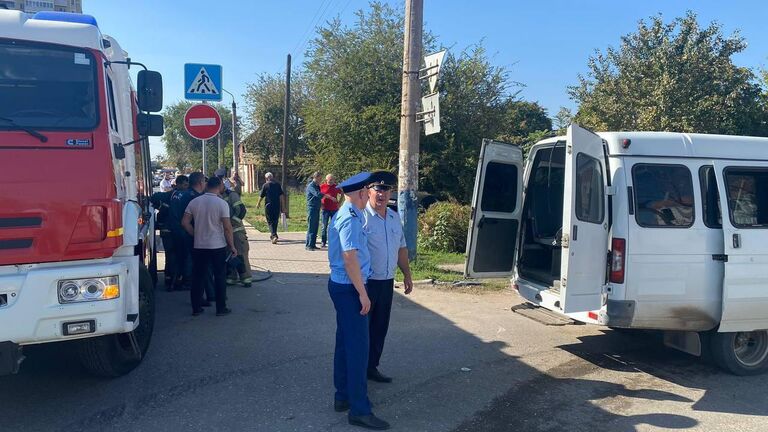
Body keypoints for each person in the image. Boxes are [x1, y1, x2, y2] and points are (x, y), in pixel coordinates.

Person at [327, 172, 390, 431]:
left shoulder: (347, 213)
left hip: (342, 286)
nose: (369, 195)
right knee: (358, 349)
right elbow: (350, 257)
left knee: (344, 343)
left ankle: (342, 396)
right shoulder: (351, 217)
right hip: (350, 289)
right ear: (362, 192)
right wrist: (363, 294)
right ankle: (359, 410)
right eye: (367, 191)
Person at [362, 171, 413, 384]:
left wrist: (407, 275)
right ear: (369, 191)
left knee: (380, 328)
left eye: (386, 189)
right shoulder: (361, 217)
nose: (382, 194)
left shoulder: (393, 217)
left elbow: (401, 248)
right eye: (378, 189)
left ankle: (371, 367)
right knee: (362, 330)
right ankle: (357, 371)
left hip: (386, 282)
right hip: (366, 283)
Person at [182, 176, 237, 317]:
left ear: (206, 185)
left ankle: (196, 308)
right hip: (217, 245)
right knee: (219, 276)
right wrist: (232, 246)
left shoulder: (194, 202)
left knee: (198, 276)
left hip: (199, 245)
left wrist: (195, 234)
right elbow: (227, 228)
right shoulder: (221, 204)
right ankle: (221, 308)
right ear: (219, 186)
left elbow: (185, 222)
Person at [168, 172, 205, 291]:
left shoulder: (176, 194)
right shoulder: (192, 196)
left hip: (175, 230)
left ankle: (174, 280)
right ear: (200, 182)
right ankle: (187, 280)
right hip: (186, 230)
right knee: (189, 256)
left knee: (178, 256)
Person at [151, 175, 188, 290]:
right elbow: (154, 197)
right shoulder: (179, 196)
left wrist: (161, 206)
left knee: (171, 256)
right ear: (179, 184)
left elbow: (154, 198)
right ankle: (174, 281)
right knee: (175, 256)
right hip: (173, 232)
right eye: (185, 185)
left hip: (167, 231)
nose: (187, 187)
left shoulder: (169, 195)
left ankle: (169, 280)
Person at [217, 168, 253, 287]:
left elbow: (241, 210)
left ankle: (246, 278)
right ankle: (231, 277)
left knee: (241, 253)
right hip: (224, 232)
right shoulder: (216, 196)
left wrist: (232, 222)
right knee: (229, 254)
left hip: (236, 231)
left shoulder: (231, 195)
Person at [257, 172, 285, 244]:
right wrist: (283, 206)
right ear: (272, 177)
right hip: (277, 205)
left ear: (266, 178)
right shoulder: (277, 185)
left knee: (270, 221)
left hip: (268, 206)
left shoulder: (265, 185)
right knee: (275, 220)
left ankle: (273, 235)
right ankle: (274, 234)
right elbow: (281, 196)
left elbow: (261, 196)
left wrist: (258, 203)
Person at [320, 173, 342, 248]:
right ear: (326, 180)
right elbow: (318, 195)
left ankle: (334, 241)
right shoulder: (322, 186)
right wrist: (321, 204)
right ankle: (323, 241)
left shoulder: (336, 187)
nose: (331, 181)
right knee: (324, 226)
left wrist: (339, 202)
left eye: (332, 180)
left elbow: (342, 193)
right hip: (325, 209)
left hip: (334, 209)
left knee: (335, 226)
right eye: (329, 180)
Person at [305, 171, 323, 250]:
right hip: (311, 208)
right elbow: (317, 194)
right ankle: (308, 245)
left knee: (315, 226)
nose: (320, 180)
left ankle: (313, 244)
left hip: (316, 207)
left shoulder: (317, 186)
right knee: (311, 226)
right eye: (319, 178)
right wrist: (327, 196)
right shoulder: (311, 186)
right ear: (315, 177)